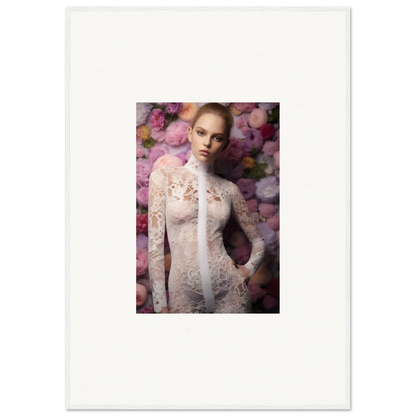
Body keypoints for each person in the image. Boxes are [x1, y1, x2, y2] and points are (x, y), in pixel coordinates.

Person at [147, 103, 266, 313]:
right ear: (191, 133)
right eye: (202, 133)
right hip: (184, 294)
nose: (208, 143)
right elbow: (155, 249)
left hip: (231, 291)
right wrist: (160, 306)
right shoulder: (163, 178)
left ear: (225, 144)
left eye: (217, 137)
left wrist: (248, 270)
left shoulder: (230, 189)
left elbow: (258, 241)